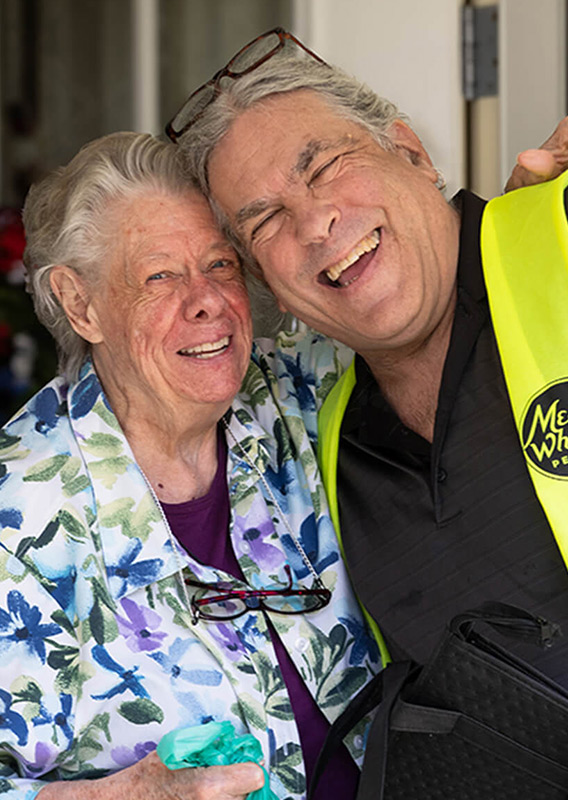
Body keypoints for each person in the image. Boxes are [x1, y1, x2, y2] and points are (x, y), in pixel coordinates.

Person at [171, 29, 568, 800]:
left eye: (326, 166)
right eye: (265, 220)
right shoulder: (335, 449)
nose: (313, 224)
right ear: (268, 289)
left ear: (411, 153)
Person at [0, 131, 382, 800]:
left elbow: (433, 326)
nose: (207, 300)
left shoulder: (294, 392)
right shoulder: (20, 514)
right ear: (80, 303)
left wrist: (508, 231)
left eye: (220, 264)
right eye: (160, 276)